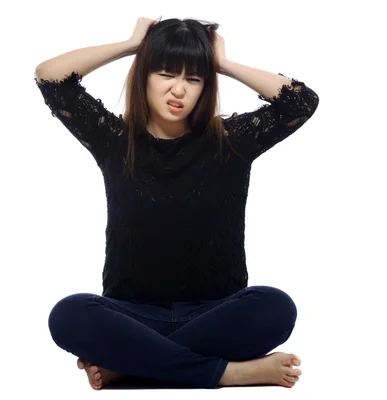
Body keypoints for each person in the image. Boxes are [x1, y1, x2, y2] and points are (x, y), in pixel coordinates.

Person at [34, 17, 319, 390]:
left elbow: (301, 102)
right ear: (145, 75)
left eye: (194, 79)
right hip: (133, 316)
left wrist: (224, 64)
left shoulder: (230, 141)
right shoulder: (115, 139)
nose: (179, 89)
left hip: (216, 313)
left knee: (275, 307)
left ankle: (132, 366)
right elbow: (49, 77)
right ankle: (229, 373)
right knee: (68, 316)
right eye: (166, 73)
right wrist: (131, 44)